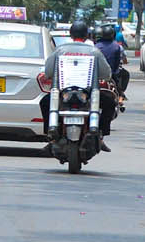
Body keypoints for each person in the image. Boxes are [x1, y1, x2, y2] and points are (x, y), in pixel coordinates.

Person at [41, 18, 117, 150]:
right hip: (88, 93)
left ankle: (52, 138)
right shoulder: (94, 51)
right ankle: (101, 135)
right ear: (87, 35)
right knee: (110, 103)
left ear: (71, 35)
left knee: (44, 103)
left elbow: (48, 71)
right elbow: (107, 74)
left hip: (63, 93)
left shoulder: (60, 50)